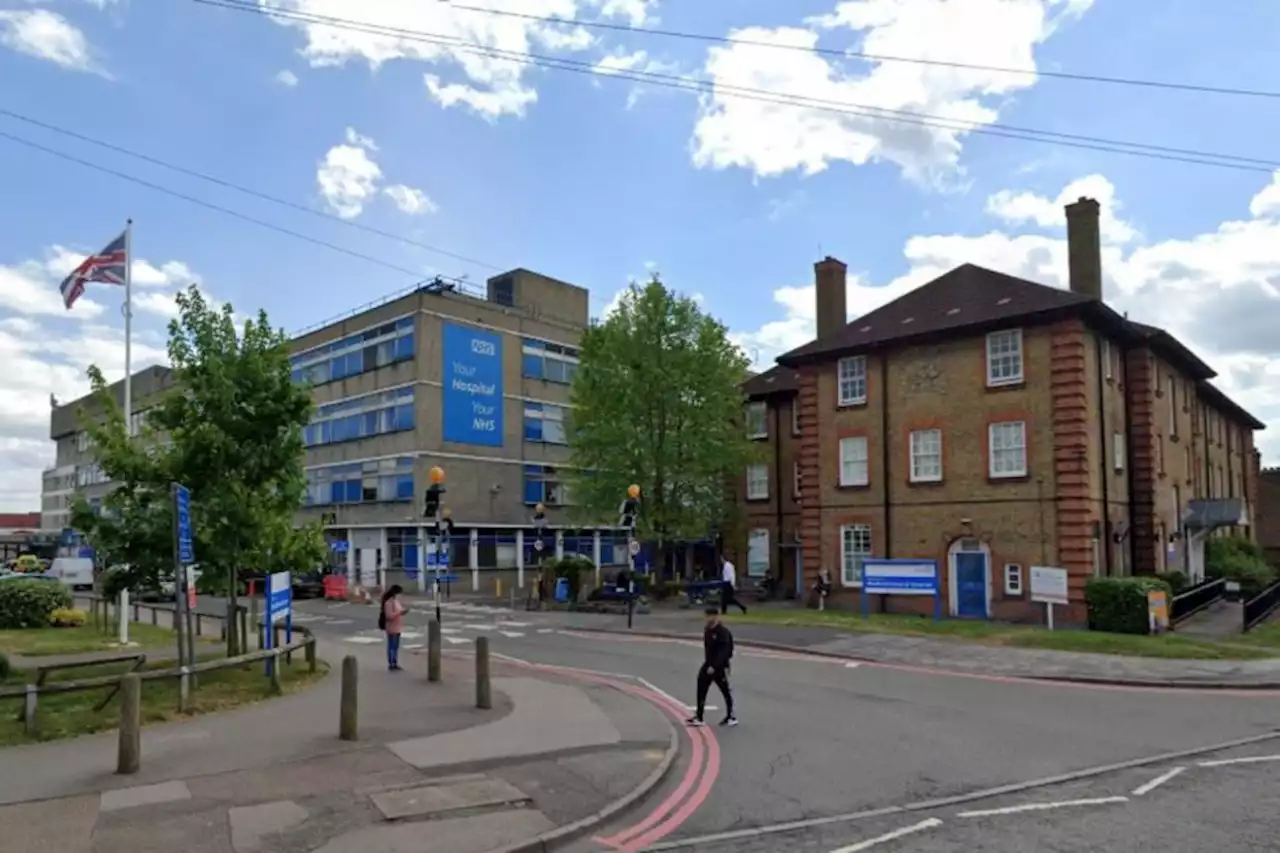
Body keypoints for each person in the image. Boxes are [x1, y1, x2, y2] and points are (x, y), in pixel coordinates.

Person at [688, 606, 737, 727]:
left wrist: (715, 666)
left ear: (716, 616)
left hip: (720, 666)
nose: (708, 618)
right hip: (708, 664)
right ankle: (699, 716)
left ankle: (731, 716)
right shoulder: (707, 630)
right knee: (701, 685)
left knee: (725, 690)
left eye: (710, 616)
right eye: (707, 616)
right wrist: (709, 664)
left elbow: (725, 651)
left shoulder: (723, 632)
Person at [379, 584, 406, 671]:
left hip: (397, 626)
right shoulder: (389, 603)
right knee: (392, 646)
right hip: (391, 627)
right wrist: (399, 613)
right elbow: (389, 616)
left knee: (396, 646)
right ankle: (391, 664)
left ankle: (395, 662)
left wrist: (403, 612)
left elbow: (399, 610)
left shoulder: (396, 601)